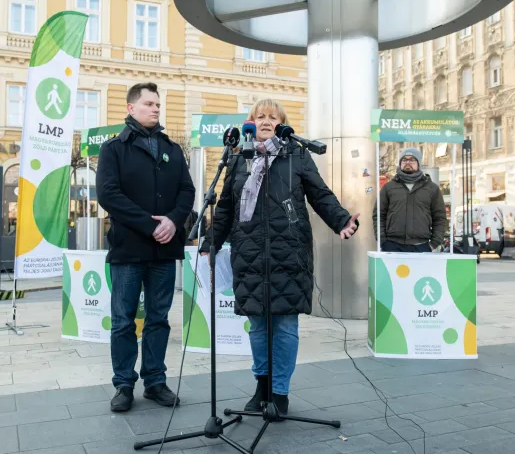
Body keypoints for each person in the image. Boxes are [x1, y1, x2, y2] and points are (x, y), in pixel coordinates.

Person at [200, 99, 359, 415]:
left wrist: (341, 220)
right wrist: (210, 241)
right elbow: (227, 208)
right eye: (260, 116)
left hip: (289, 251)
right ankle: (262, 386)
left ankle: (280, 392)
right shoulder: (237, 158)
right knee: (258, 325)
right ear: (251, 122)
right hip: (249, 254)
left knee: (285, 325)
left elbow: (319, 193)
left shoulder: (297, 154)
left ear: (283, 123)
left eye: (273, 117)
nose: (266, 121)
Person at [96, 82, 195, 412]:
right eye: (149, 103)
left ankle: (155, 381)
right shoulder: (113, 150)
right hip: (128, 250)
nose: (155, 108)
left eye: (157, 104)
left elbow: (186, 191)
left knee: (159, 318)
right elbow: (109, 195)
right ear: (131, 108)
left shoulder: (172, 148)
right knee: (123, 319)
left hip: (164, 251)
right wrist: (151, 225)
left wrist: (172, 221)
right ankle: (124, 384)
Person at [373, 147, 447, 252]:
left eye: (412, 159)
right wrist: (382, 240)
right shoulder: (388, 187)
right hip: (392, 245)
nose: (408, 162)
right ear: (400, 163)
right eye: (404, 159)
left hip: (421, 246)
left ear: (418, 163)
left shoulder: (432, 188)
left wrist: (434, 243)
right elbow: (379, 214)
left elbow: (440, 217)